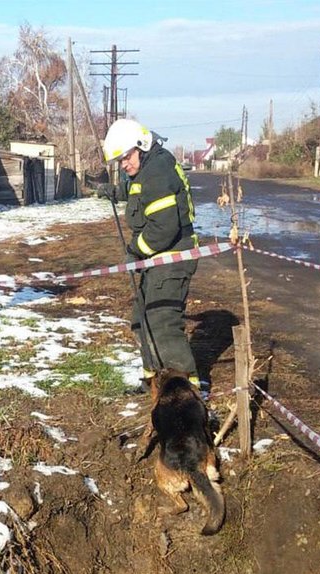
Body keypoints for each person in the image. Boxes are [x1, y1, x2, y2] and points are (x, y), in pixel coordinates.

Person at [96, 118, 203, 395]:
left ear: (141, 147)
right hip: (158, 257)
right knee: (140, 318)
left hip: (172, 256)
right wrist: (116, 192)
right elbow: (141, 194)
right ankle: (154, 380)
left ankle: (186, 393)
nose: (124, 165)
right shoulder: (146, 170)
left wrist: (135, 252)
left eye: (126, 157)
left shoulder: (156, 170)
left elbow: (163, 228)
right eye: (119, 161)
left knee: (162, 320)